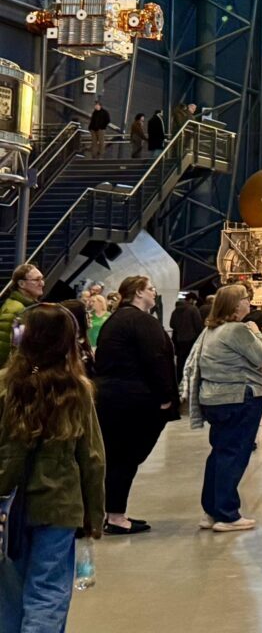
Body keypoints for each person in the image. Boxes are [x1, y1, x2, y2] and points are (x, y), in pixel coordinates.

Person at [0, 304, 106, 630]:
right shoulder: (78, 391)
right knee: (47, 590)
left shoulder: (5, 387)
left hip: (8, 505)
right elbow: (92, 458)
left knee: (9, 596)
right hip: (60, 504)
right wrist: (94, 517)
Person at [92, 276, 177, 535]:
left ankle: (114, 512)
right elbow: (156, 360)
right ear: (139, 293)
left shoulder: (116, 320)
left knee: (118, 458)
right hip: (134, 401)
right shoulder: (140, 321)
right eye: (151, 289)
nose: (154, 293)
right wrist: (165, 397)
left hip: (113, 397)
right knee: (126, 458)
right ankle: (116, 516)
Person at [183, 284, 262, 532]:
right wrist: (256, 332)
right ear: (235, 305)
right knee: (234, 455)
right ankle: (227, 513)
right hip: (239, 398)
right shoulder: (237, 331)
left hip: (215, 399)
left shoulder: (212, 330)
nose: (249, 303)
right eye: (245, 299)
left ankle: (211, 510)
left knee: (220, 453)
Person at [0, 264, 45, 365]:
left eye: (42, 279)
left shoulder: (24, 306)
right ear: (21, 284)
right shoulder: (18, 309)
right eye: (37, 280)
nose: (42, 283)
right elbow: (4, 348)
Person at [170, 291, 205, 388]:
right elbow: (198, 325)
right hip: (192, 339)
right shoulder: (193, 309)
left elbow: (171, 324)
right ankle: (190, 381)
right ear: (191, 300)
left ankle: (180, 379)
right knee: (191, 361)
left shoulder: (176, 310)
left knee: (181, 361)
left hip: (179, 339)